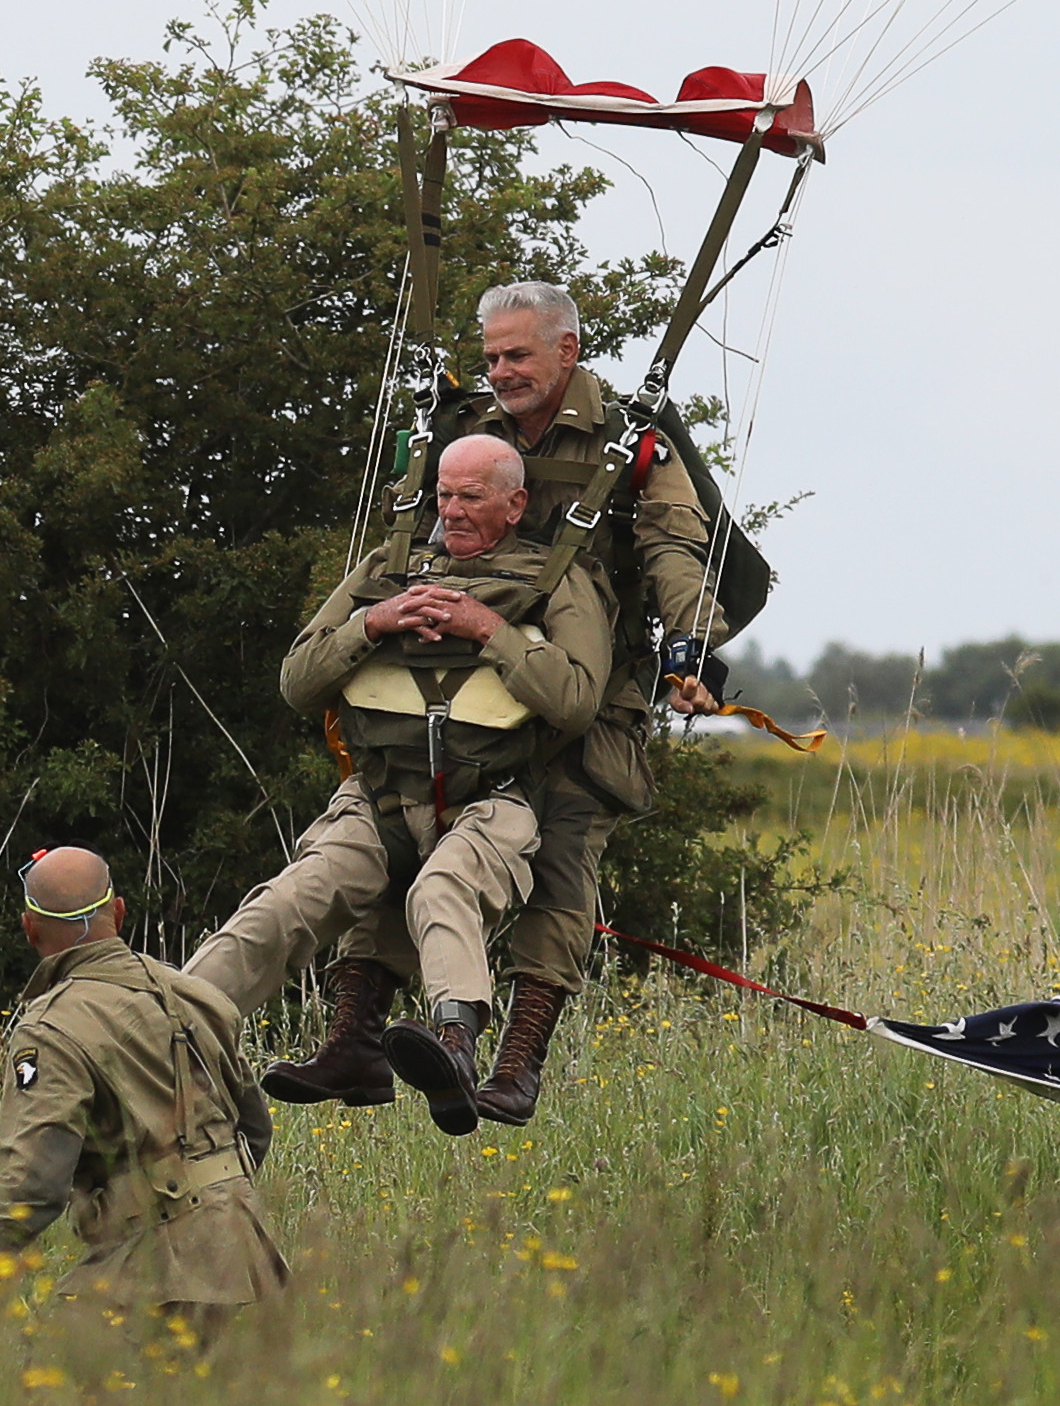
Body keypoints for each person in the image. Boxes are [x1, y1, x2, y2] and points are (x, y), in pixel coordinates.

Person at [274, 280, 731, 1127]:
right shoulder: (466, 435)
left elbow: (674, 546)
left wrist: (690, 646)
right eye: (489, 356)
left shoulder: (632, 444)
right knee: (397, 815)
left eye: (517, 354)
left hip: (579, 685)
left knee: (562, 848)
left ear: (568, 350)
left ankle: (516, 1060)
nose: (501, 371)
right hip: (457, 682)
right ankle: (357, 1036)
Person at [184, 434, 612, 1136]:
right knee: (294, 895)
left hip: (491, 795)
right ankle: (170, 1026)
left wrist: (490, 631)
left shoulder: (558, 578)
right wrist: (374, 621)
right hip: (379, 794)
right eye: (444, 494)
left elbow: (574, 701)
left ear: (515, 503)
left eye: (472, 496)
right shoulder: (387, 568)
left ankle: (453, 1044)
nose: (453, 510)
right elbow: (298, 681)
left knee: (442, 888)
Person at [0, 846, 286, 1369]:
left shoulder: (51, 1029)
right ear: (118, 912)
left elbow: (31, 1191)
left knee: (45, 1384)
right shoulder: (198, 997)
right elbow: (253, 1130)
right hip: (250, 1255)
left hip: (156, 1269)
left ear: (29, 930)